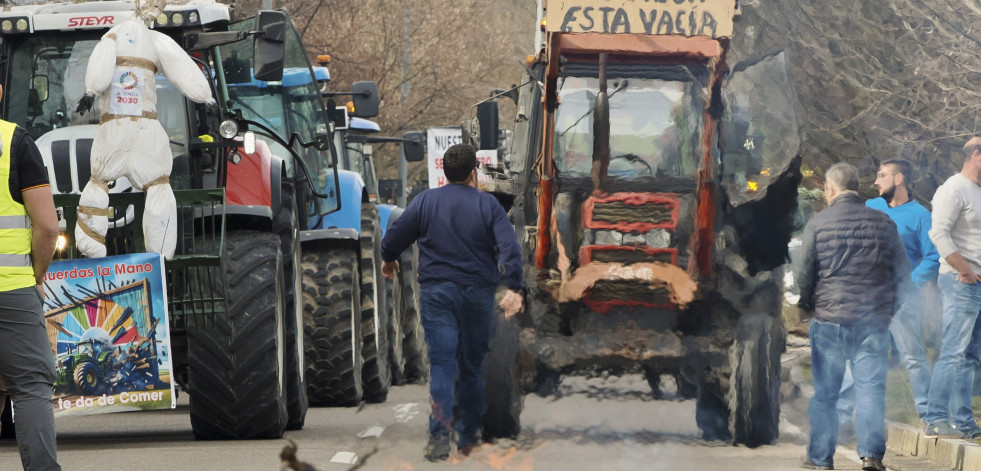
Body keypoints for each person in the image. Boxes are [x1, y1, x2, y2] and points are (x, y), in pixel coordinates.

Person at [380, 144, 523, 461]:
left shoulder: (425, 202)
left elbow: (394, 237)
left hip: (438, 295)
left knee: (443, 366)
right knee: (472, 368)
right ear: (474, 172)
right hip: (477, 296)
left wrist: (388, 260)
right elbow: (509, 249)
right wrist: (515, 287)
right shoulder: (489, 206)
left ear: (445, 172)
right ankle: (469, 437)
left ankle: (439, 438)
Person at [796, 163, 909, 471]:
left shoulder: (818, 223)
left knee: (826, 395)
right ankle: (871, 456)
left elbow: (803, 274)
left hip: (829, 321)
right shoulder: (884, 223)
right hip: (871, 322)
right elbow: (902, 274)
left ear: (831, 189)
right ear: (857, 188)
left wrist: (807, 306)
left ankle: (820, 458)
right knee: (871, 391)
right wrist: (888, 311)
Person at [837, 160, 940, 429]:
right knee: (856, 354)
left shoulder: (920, 216)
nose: (875, 181)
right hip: (868, 298)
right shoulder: (872, 207)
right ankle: (842, 416)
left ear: (899, 179)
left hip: (902, 301)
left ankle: (930, 417)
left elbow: (932, 257)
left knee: (914, 358)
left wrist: (908, 284)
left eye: (882, 176)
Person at [0, 83, 62, 470]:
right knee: (31, 386)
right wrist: (36, 276)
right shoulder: (15, 143)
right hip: (10, 288)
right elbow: (48, 227)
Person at [923, 137, 981, 439]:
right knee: (953, 353)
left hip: (976, 284)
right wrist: (965, 270)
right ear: (976, 155)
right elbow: (939, 233)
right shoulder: (953, 188)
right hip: (960, 282)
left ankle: (964, 423)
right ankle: (935, 419)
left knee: (970, 357)